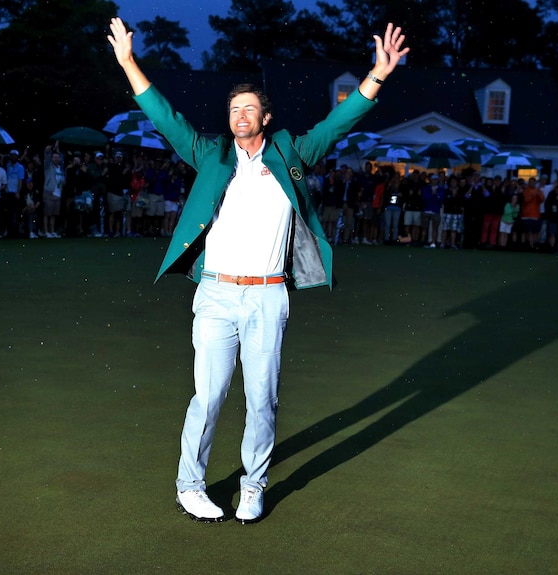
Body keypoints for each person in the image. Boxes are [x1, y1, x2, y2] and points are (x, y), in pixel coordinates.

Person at [108, 16, 409, 524]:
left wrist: (377, 76)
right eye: (234, 109)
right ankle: (190, 485)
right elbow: (166, 119)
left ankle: (252, 485)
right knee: (208, 397)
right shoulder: (211, 154)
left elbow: (338, 124)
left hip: (269, 297)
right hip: (217, 296)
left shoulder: (292, 152)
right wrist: (128, 63)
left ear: (265, 118)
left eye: (250, 108)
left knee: (262, 401)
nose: (240, 115)